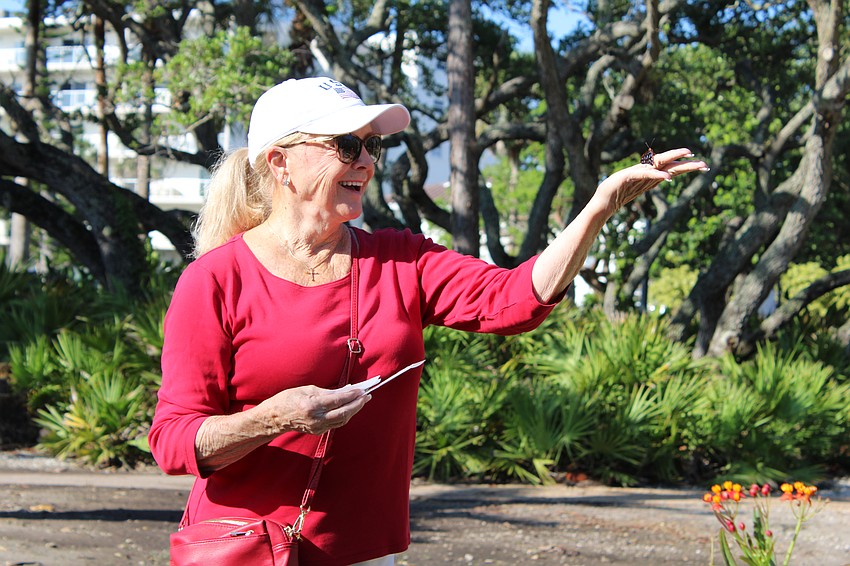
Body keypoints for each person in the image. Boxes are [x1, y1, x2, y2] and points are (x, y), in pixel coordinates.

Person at [149, 76, 708, 566]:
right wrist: (272, 419)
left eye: (372, 145)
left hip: (362, 551)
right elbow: (174, 443)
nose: (366, 161)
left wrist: (599, 207)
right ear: (280, 161)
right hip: (245, 549)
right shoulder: (214, 280)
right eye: (346, 145)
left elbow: (515, 299)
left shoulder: (403, 258)